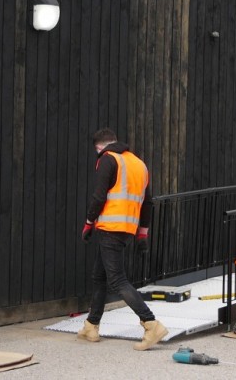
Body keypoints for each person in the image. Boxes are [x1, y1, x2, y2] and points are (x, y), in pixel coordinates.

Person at [77, 128, 168, 351]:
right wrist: (143, 233)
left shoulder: (107, 160)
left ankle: (151, 323)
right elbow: (147, 203)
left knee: (117, 280)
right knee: (99, 276)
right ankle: (91, 324)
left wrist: (89, 223)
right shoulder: (139, 164)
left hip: (110, 226)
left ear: (99, 148)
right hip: (127, 228)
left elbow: (99, 196)